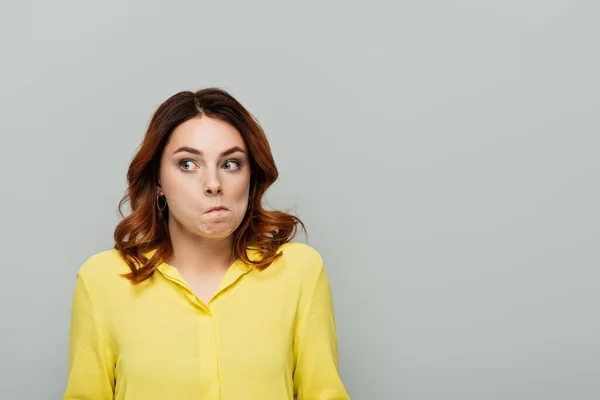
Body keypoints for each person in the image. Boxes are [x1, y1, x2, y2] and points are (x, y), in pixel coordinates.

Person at [63, 88, 350, 400]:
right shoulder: (102, 280)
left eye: (230, 164)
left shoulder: (299, 272)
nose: (213, 185)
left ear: (251, 176)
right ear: (158, 181)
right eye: (188, 164)